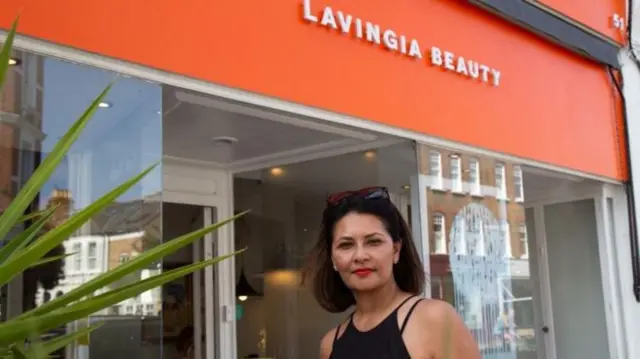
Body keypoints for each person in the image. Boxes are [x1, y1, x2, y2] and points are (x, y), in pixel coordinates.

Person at [303, 186, 481, 359]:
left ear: (396, 250)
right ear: (333, 259)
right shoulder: (330, 344)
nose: (360, 256)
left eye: (373, 242)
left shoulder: (435, 319)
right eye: (346, 245)